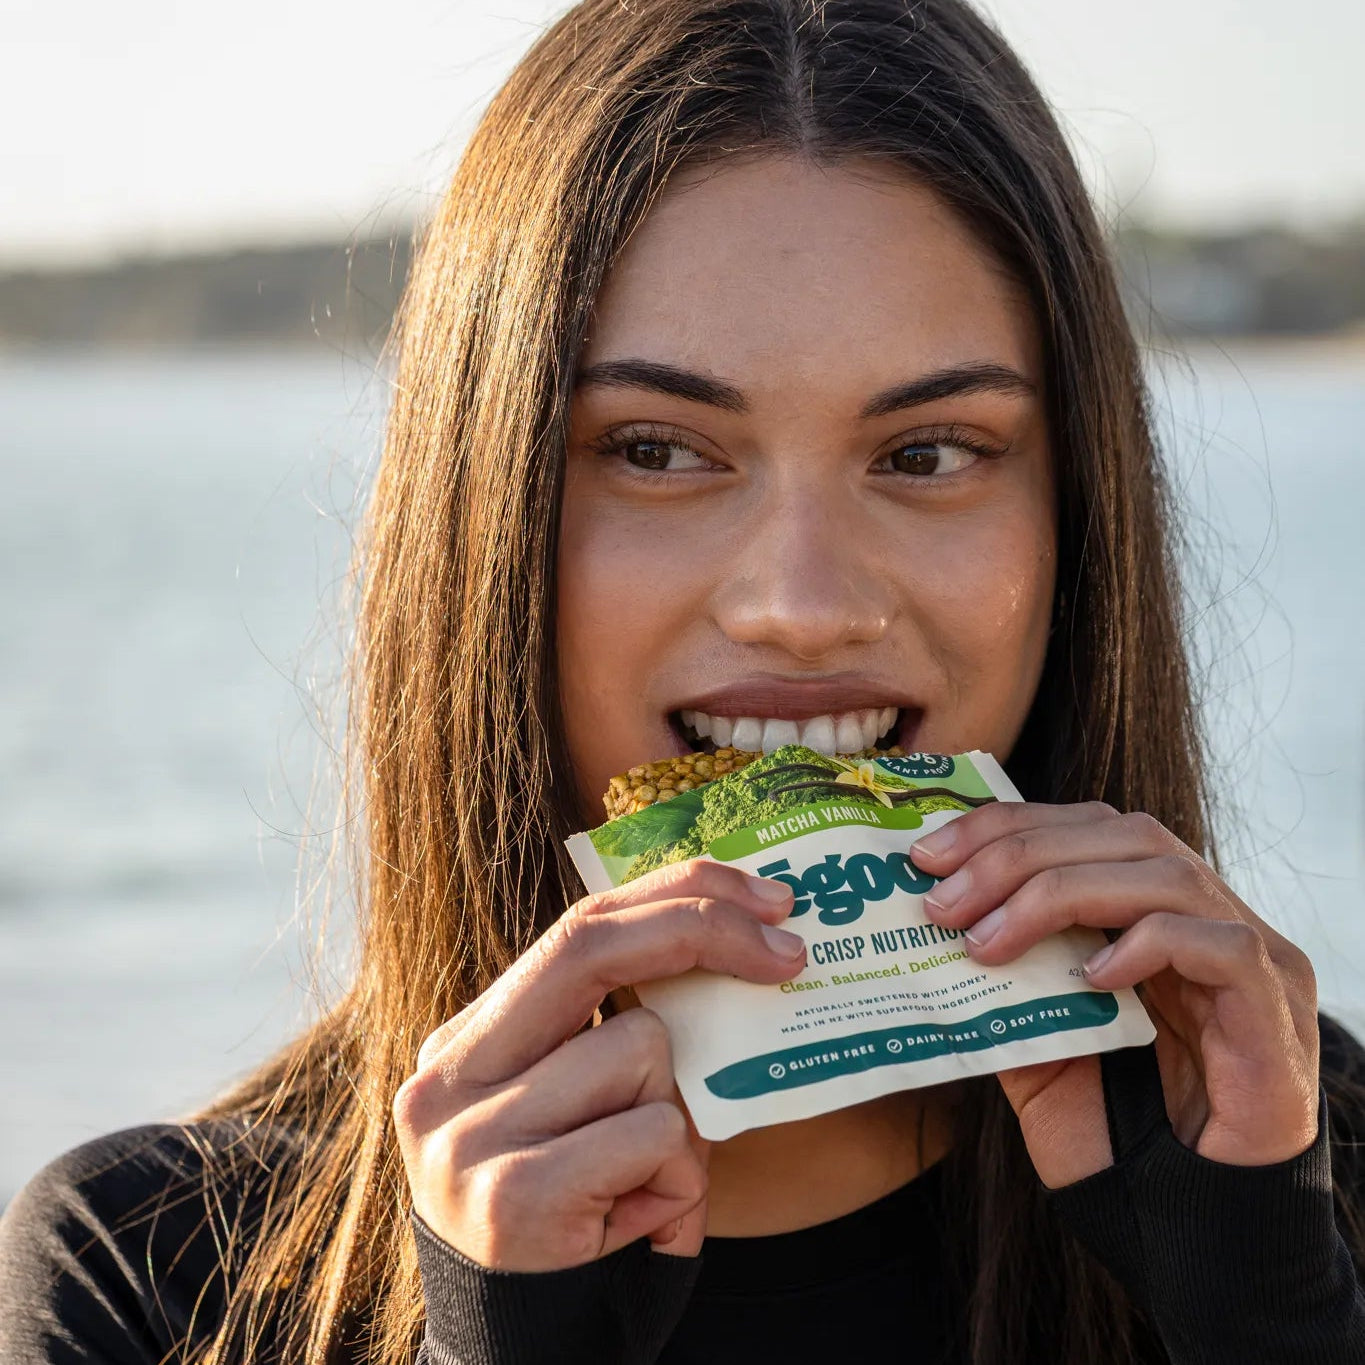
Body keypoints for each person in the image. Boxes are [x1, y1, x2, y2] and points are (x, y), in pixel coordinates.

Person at [3, 0, 1364, 1361]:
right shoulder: (152, 1277)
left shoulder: (1292, 1158)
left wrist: (1267, 1317)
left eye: (931, 451)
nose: (802, 606)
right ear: (483, 514)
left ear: (1078, 523)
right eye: (656, 449)